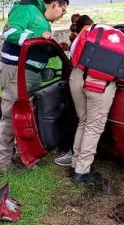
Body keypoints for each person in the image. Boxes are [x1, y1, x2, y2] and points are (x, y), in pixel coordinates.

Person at [0, 0, 69, 172]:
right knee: (11, 116)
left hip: (29, 73)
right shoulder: (27, 8)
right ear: (55, 4)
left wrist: (53, 49)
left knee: (25, 116)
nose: (62, 16)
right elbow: (10, 32)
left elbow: (36, 48)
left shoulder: (42, 19)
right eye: (63, 11)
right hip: (16, 70)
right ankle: (3, 163)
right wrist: (38, 34)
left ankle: (21, 156)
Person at [68, 15, 118, 182]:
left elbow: (72, 58)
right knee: (93, 126)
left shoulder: (81, 37)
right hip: (99, 84)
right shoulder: (113, 35)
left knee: (83, 122)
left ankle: (75, 164)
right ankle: (82, 171)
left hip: (76, 77)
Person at [53, 12, 82, 167]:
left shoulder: (82, 42)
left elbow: (75, 64)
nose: (72, 32)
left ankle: (73, 153)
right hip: (79, 86)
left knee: (75, 120)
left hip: (77, 87)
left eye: (75, 29)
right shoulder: (78, 42)